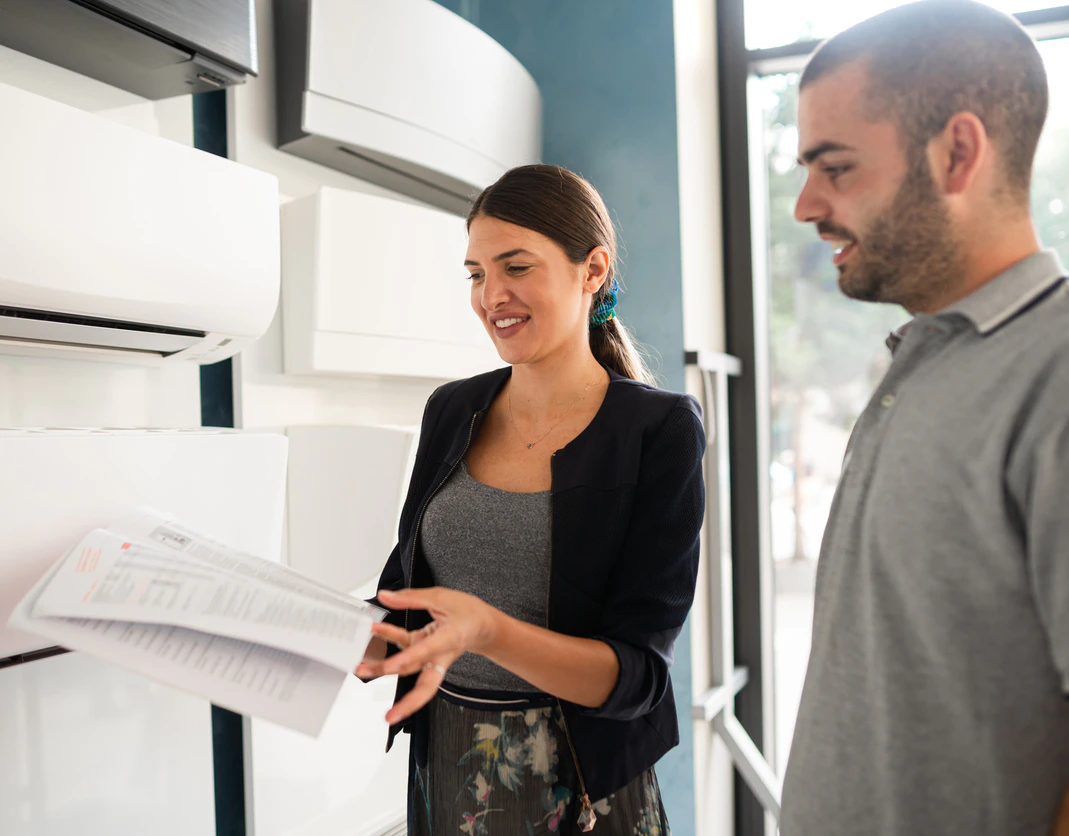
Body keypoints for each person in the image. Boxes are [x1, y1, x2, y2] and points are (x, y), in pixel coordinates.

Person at [781, 1, 1069, 834]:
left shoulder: (1052, 373)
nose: (804, 205)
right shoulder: (925, 355)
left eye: (834, 167)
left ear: (956, 153)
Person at [354, 164, 706, 835]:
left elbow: (636, 679)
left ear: (592, 270)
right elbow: (407, 586)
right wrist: (358, 639)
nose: (492, 295)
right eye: (476, 273)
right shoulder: (451, 408)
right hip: (446, 763)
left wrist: (488, 631)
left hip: (579, 785)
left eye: (515, 267)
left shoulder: (657, 429)